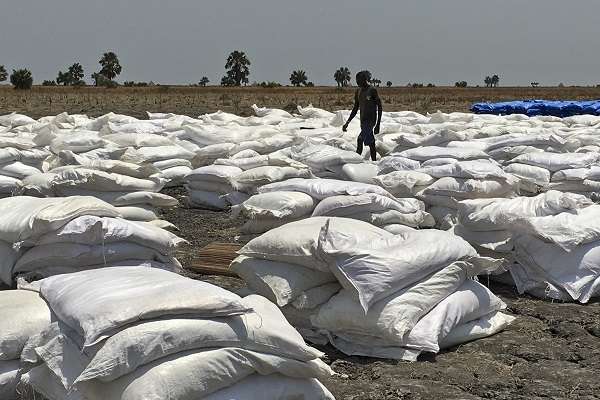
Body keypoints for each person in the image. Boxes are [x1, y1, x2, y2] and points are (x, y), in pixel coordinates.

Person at [342, 70, 382, 161]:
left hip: (371, 120)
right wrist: (347, 122)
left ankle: (355, 162)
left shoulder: (372, 90)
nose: (357, 82)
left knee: (360, 139)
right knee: (371, 143)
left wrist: (378, 124)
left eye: (359, 80)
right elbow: (355, 108)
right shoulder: (358, 92)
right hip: (363, 121)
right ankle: (375, 163)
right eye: (356, 80)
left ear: (364, 79)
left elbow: (379, 107)